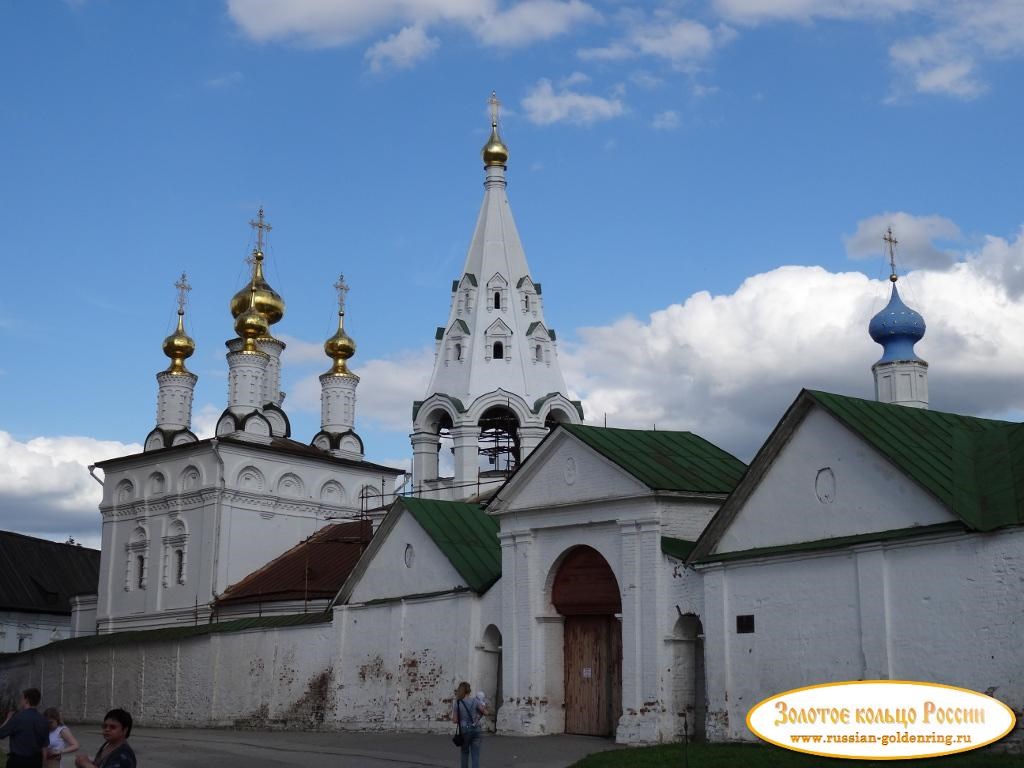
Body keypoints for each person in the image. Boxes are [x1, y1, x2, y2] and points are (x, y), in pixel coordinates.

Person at [0, 688, 49, 768]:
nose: (20, 701)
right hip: (36, 762)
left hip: (18, 761)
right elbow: (44, 746)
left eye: (22, 698)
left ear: (26, 700)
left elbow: (1, 734)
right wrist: (44, 764)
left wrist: (8, 719)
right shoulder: (43, 720)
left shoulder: (18, 718)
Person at [451, 681, 485, 768]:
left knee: (464, 752)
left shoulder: (457, 703)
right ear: (469, 691)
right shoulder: (475, 701)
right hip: (476, 729)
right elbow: (484, 711)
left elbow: (455, 720)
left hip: (464, 730)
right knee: (475, 754)